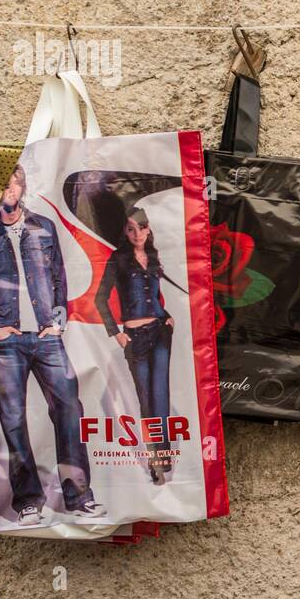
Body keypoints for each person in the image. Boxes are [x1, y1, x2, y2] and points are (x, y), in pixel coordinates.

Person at [0, 164, 106, 525]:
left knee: (69, 412)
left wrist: (58, 321)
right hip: (8, 344)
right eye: (2, 185)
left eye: (13, 183)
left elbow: (59, 277)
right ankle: (29, 501)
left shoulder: (43, 226)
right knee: (13, 420)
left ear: (21, 187)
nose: (8, 190)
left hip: (47, 340)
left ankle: (79, 497)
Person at [94, 207, 176, 484]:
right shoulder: (117, 259)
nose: (137, 233)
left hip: (160, 332)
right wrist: (115, 333)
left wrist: (167, 316)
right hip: (135, 337)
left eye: (141, 227)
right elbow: (100, 298)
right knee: (146, 398)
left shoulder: (153, 256)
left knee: (160, 394)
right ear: (125, 232)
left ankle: (162, 457)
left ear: (148, 229)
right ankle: (154, 456)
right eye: (131, 228)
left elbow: (154, 295)